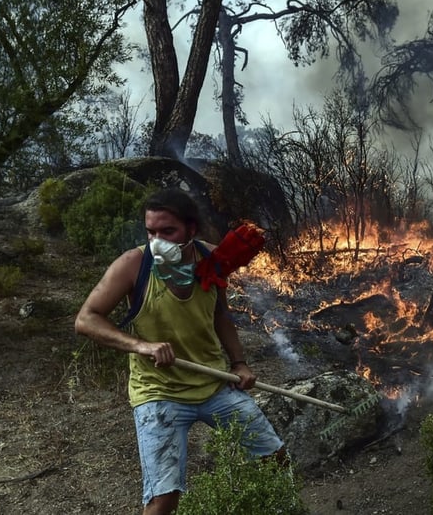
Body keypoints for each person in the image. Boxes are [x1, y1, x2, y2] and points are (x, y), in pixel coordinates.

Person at [74, 188, 285, 515]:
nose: (157, 240)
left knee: (276, 460)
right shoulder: (133, 264)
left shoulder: (213, 259)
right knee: (163, 500)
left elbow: (219, 314)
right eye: (151, 231)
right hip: (159, 392)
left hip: (214, 385)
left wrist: (240, 363)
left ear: (191, 229)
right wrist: (142, 346)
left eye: (167, 231)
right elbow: (86, 319)